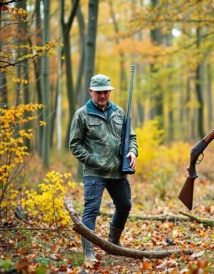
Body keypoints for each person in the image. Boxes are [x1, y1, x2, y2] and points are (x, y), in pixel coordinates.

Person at [69, 74, 138, 261]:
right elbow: (74, 144)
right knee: (91, 210)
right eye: (99, 92)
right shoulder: (82, 114)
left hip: (118, 171)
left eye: (106, 92)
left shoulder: (119, 112)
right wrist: (92, 160)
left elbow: (131, 137)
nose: (103, 95)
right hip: (95, 172)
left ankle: (113, 242)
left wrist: (132, 151)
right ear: (91, 91)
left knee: (125, 205)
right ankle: (88, 251)